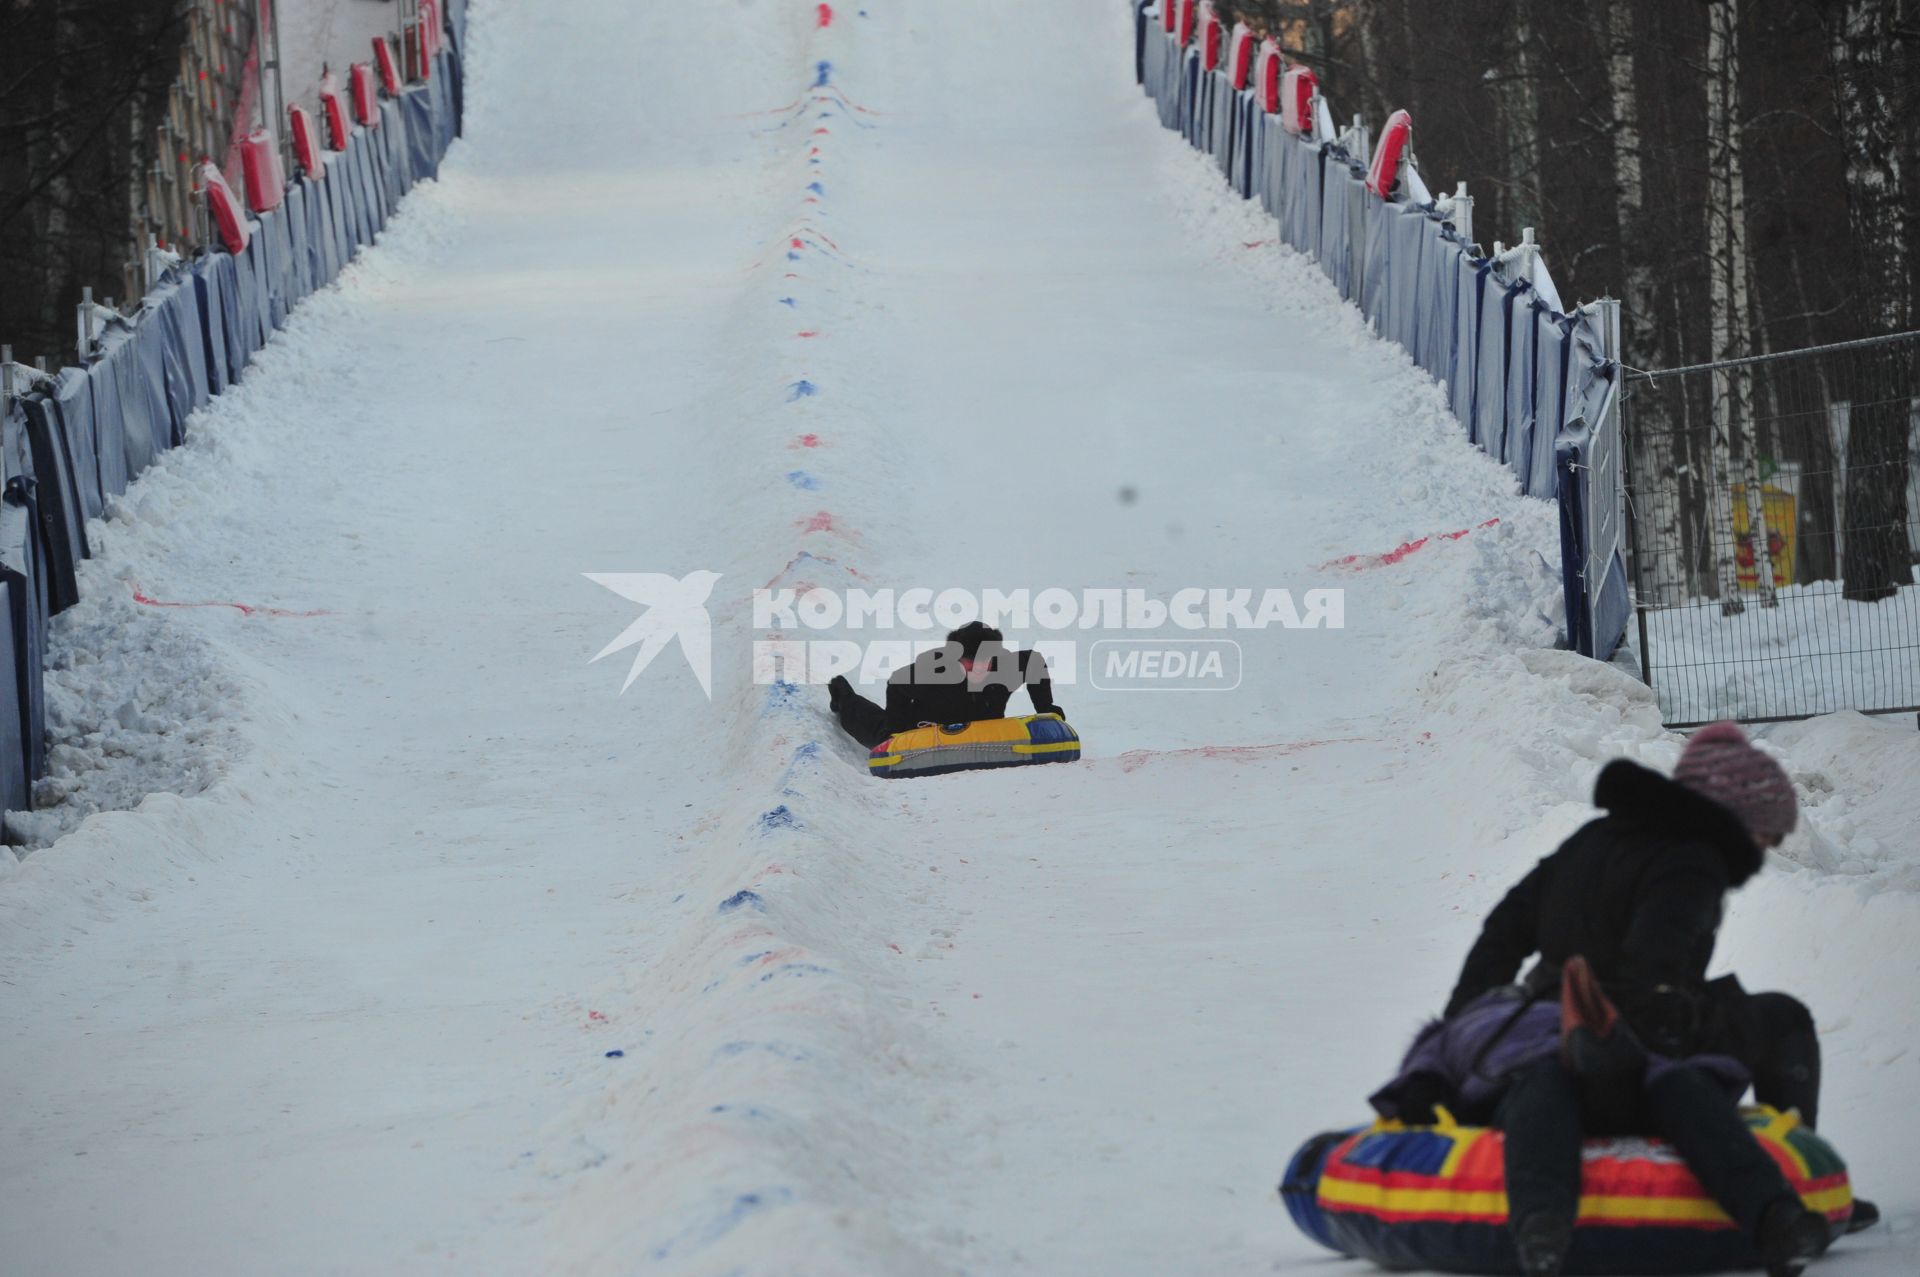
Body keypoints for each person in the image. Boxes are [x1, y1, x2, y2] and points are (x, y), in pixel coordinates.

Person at [1373, 724, 1844, 1277]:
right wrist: (1673, 1040)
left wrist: (1463, 1032)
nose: (1770, 847)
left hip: (1548, 1016)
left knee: (1567, 1072)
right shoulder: (1694, 862)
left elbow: (1503, 930)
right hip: (1626, 1027)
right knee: (1782, 1018)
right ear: (1736, 821)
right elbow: (1654, 975)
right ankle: (1803, 1171)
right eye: (1767, 833)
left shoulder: (1593, 838)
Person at [827, 621, 1063, 749]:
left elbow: (1034, 662)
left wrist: (1046, 708)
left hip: (980, 726)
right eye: (971, 663)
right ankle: (843, 695)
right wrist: (896, 730)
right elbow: (897, 682)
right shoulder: (935, 670)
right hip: (923, 727)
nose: (978, 669)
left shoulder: (1006, 667)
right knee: (875, 731)